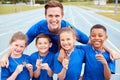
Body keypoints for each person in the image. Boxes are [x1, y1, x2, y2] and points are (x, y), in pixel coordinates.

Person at [0, 0, 119, 67]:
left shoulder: (68, 28)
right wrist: (5, 56)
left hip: (64, 59)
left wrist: (110, 50)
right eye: (50, 16)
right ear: (45, 16)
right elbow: (21, 43)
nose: (53, 19)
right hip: (46, 58)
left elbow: (91, 41)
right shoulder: (38, 27)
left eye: (57, 16)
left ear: (62, 16)